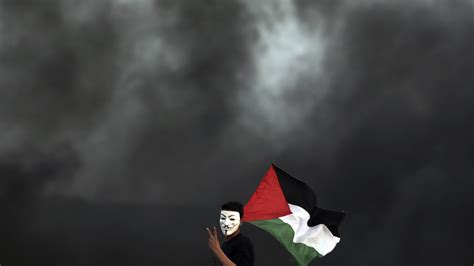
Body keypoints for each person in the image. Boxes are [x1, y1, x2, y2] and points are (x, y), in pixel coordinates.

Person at [206, 201, 255, 266]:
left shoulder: (243, 242)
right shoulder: (226, 244)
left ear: (240, 222)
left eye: (231, 219)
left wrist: (217, 250)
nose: (226, 223)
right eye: (223, 218)